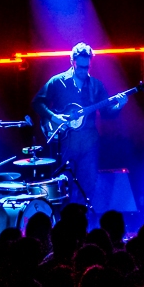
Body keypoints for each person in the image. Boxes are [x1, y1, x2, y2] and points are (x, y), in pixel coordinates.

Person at [32, 42, 128, 205]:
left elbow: (106, 114)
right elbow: (37, 103)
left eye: (87, 67)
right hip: (65, 144)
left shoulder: (96, 86)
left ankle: (84, 222)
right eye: (80, 67)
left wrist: (120, 105)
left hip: (90, 144)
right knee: (64, 186)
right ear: (72, 62)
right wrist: (54, 118)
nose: (84, 71)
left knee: (87, 187)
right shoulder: (58, 82)